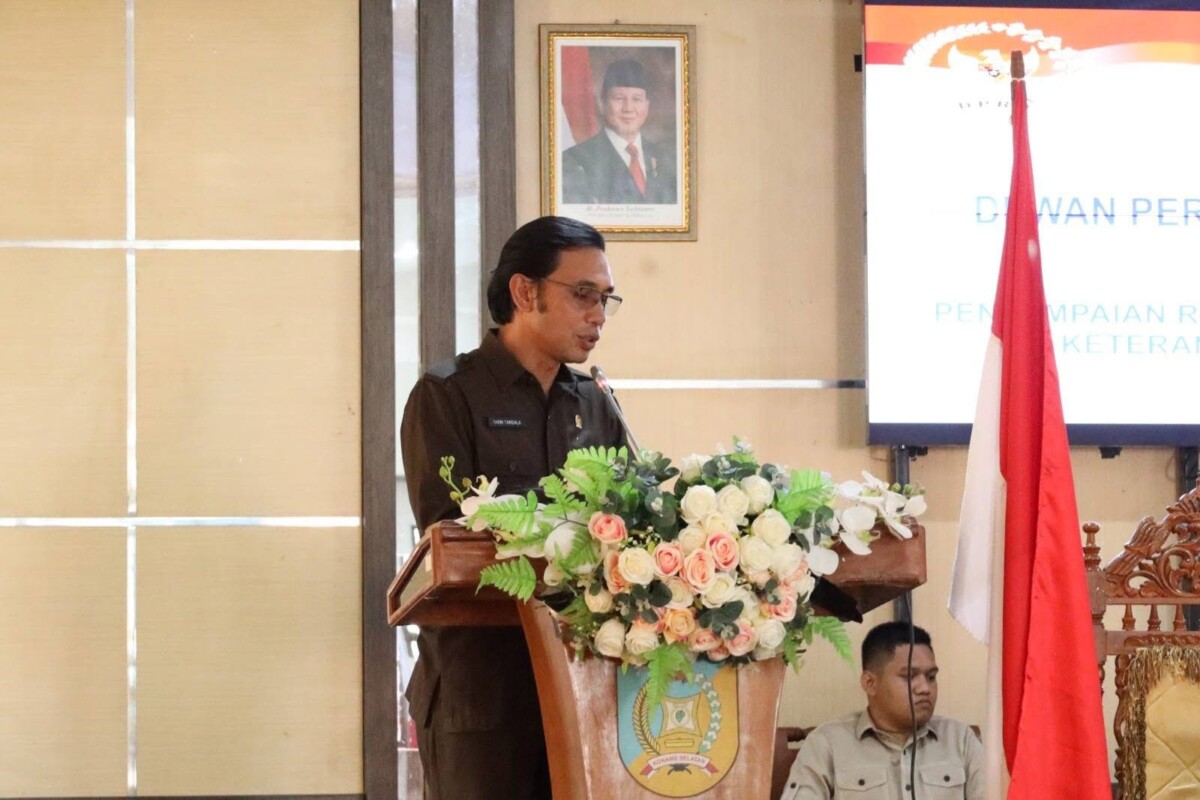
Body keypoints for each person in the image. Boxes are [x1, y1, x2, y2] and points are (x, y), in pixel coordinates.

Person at [399, 215, 628, 800]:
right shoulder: (447, 394)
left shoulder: (596, 404)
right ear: (525, 292)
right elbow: (452, 541)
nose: (598, 315)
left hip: (585, 685)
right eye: (583, 295)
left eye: (606, 299)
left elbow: (627, 528)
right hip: (483, 693)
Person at [781, 622, 984, 800]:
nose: (925, 688)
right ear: (870, 683)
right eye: (909, 676)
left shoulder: (960, 740)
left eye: (931, 677)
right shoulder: (827, 743)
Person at [561, 58, 678, 205]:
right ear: (602, 104)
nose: (628, 108)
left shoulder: (668, 160)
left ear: (646, 106)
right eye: (619, 98)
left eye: (637, 99)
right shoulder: (574, 160)